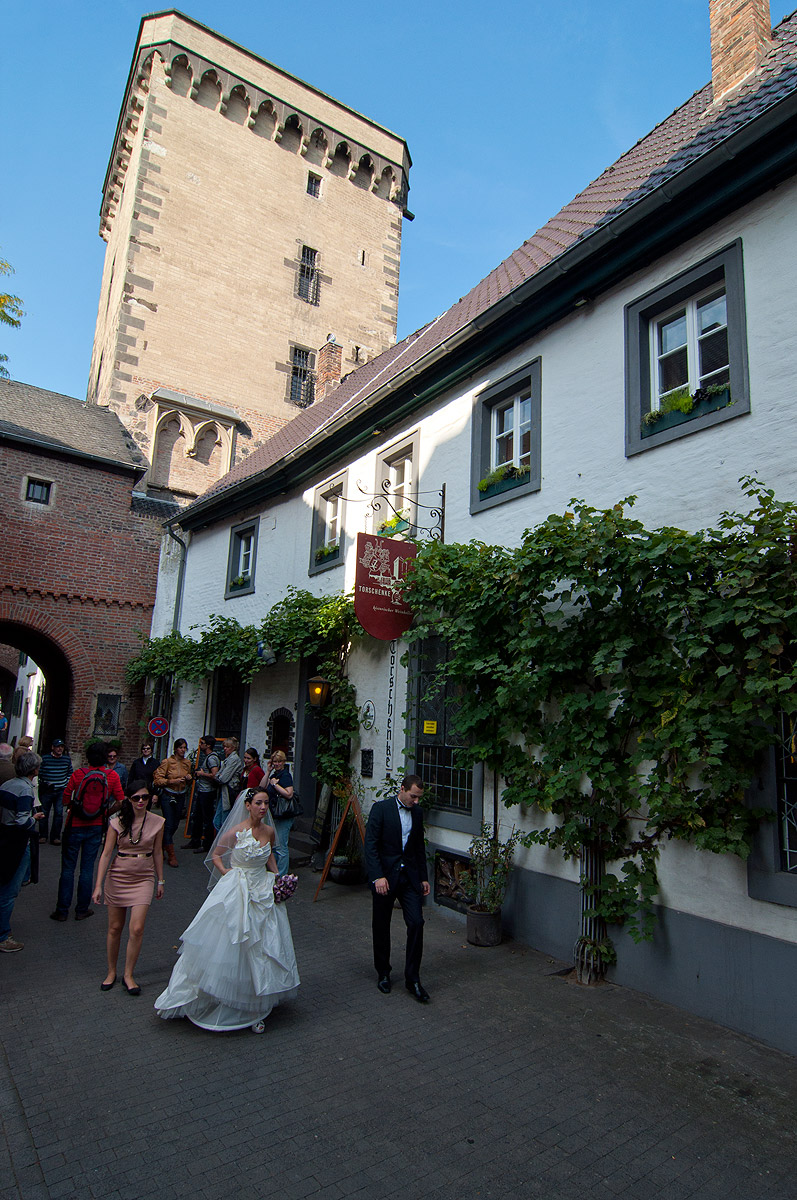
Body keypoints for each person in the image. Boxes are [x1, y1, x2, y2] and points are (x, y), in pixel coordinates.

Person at [154, 785, 299, 1032]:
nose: (263, 807)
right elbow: (216, 854)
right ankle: (222, 993)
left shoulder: (269, 831)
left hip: (262, 889)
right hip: (238, 888)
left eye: (266, 803)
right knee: (233, 939)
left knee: (262, 944)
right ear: (248, 805)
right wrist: (225, 871)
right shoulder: (235, 831)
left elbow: (269, 855)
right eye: (259, 803)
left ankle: (254, 998)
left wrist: (278, 877)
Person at [92, 780, 165, 994]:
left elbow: (158, 852)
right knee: (115, 927)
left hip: (144, 876)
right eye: (136, 798)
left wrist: (161, 880)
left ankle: (128, 974)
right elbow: (106, 853)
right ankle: (111, 971)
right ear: (129, 799)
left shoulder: (158, 822)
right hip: (118, 876)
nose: (141, 801)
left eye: (145, 797)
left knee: (137, 928)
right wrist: (98, 885)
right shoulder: (117, 822)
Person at [363, 774, 430, 1002]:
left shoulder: (417, 813)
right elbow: (371, 845)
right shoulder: (381, 809)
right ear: (402, 789)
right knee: (381, 925)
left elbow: (418, 846)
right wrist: (377, 876)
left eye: (419, 798)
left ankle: (413, 979)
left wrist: (423, 877)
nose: (416, 801)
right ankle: (383, 972)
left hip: (409, 877)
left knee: (417, 923)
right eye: (413, 796)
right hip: (385, 877)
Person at [50, 741, 125, 923]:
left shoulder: (78, 774)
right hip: (96, 826)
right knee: (87, 868)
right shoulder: (111, 776)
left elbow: (65, 799)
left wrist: (76, 807)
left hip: (74, 825)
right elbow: (121, 801)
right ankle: (82, 909)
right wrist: (105, 812)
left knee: (68, 869)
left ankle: (62, 910)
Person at [0, 751, 44, 952]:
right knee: (9, 891)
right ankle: (3, 936)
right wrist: (35, 818)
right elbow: (22, 821)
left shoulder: (7, 785)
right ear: (33, 770)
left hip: (4, 837)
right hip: (16, 842)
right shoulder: (26, 790)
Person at [152, 738, 192, 868]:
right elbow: (157, 779)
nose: (183, 750)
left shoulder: (187, 763)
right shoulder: (167, 762)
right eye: (181, 747)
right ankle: (171, 855)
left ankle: (161, 845)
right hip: (168, 795)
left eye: (184, 748)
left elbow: (188, 779)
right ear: (175, 749)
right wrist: (171, 781)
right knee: (169, 824)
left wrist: (189, 778)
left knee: (175, 824)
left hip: (180, 795)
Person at [186, 735, 220, 853]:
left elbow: (215, 775)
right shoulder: (207, 757)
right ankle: (195, 841)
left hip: (207, 792)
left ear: (208, 745)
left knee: (207, 818)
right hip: (202, 791)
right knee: (198, 817)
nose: (200, 745)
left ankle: (207, 844)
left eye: (202, 743)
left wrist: (202, 774)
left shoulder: (212, 759)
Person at [37, 738, 73, 845]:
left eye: (61, 747)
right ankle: (43, 835)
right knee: (44, 813)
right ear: (53, 747)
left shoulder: (66, 759)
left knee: (58, 813)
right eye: (57, 747)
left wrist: (66, 783)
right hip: (47, 790)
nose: (60, 749)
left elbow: (70, 773)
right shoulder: (45, 759)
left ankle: (55, 836)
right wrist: (44, 783)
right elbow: (40, 772)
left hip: (60, 790)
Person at [265, 751, 295, 877]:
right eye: (275, 762)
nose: (277, 764)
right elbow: (262, 786)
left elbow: (289, 794)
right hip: (274, 815)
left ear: (283, 762)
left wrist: (275, 784)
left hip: (283, 815)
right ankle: (275, 872)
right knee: (275, 845)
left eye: (279, 761)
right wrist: (268, 772)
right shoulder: (274, 774)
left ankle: (282, 875)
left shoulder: (285, 776)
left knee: (281, 846)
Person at [212, 737, 243, 832]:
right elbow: (218, 775)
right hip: (223, 793)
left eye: (227, 747)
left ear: (233, 748)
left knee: (223, 822)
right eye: (224, 746)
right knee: (217, 821)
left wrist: (219, 776)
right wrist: (218, 776)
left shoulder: (234, 759)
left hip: (228, 793)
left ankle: (224, 840)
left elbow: (223, 778)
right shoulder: (228, 758)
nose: (225, 749)